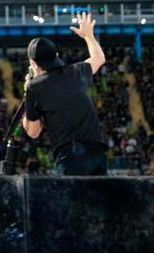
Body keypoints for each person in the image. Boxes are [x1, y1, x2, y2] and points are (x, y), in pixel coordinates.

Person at [22, 11, 108, 175]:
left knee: (70, 193)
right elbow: (99, 58)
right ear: (56, 55)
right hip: (97, 150)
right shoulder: (75, 71)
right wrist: (88, 36)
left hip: (71, 155)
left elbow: (33, 132)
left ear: (33, 62)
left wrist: (28, 92)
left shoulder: (35, 87)